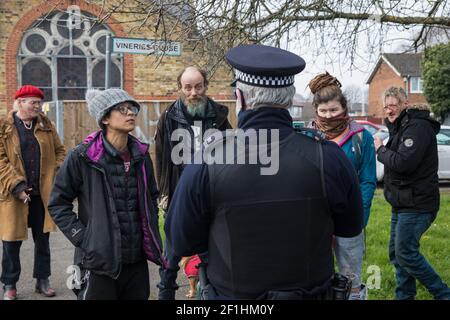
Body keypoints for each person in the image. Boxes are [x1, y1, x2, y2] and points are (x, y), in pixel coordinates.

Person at [164, 44, 363, 300]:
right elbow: (350, 229)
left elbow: (180, 241)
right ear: (289, 99)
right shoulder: (329, 158)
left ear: (242, 98)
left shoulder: (207, 161)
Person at [48, 88, 166, 300]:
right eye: (122, 109)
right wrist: (85, 238)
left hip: (136, 260)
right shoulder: (82, 157)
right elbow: (58, 203)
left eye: (132, 109)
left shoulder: (141, 155)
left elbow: (151, 197)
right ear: (104, 118)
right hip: (98, 262)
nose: (130, 113)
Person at [155, 66, 231, 299]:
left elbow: (229, 154)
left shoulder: (219, 116)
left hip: (211, 194)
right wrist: (164, 192)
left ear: (206, 87)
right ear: (180, 88)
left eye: (198, 86)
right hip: (179, 192)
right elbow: (161, 157)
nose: (193, 92)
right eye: (187, 87)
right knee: (172, 251)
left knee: (210, 251)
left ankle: (206, 293)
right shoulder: (169, 117)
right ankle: (165, 291)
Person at [374, 86, 450, 300]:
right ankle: (405, 296)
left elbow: (404, 163)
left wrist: (380, 149)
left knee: (406, 253)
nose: (389, 110)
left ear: (405, 104)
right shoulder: (401, 126)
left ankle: (443, 294)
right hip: (402, 203)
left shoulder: (416, 128)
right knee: (397, 255)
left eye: (393, 105)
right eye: (386, 106)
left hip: (417, 204)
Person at [308, 72, 377, 300]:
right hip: (316, 218)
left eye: (334, 110)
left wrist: (361, 215)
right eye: (323, 111)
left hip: (350, 216)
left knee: (350, 276)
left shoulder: (361, 137)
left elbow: (367, 180)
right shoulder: (308, 137)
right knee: (316, 273)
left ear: (344, 108)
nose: (329, 116)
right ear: (316, 111)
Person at [0, 85, 66, 300]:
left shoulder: (46, 126)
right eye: (33, 102)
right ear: (19, 102)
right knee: (11, 241)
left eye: (39, 102)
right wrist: (17, 186)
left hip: (41, 194)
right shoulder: (5, 127)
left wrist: (52, 173)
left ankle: (43, 279)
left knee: (43, 239)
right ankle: (9, 284)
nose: (37, 106)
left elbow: (60, 151)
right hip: (14, 194)